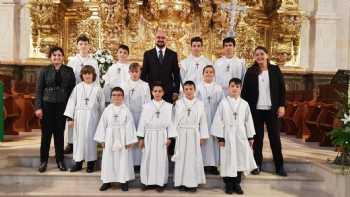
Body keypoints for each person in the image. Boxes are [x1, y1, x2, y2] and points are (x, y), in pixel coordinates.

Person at [241, 46, 287, 177]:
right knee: (257, 139)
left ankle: (280, 166)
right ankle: (257, 165)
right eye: (257, 55)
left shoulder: (275, 70)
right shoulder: (250, 71)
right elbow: (245, 93)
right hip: (256, 111)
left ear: (267, 55)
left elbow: (282, 90)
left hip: (272, 110)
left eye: (262, 54)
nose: (260, 57)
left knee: (275, 139)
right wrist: (246, 111)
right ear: (254, 57)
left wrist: (282, 105)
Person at [211, 78, 257, 195]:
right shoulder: (223, 103)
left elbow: (248, 121)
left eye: (237, 86)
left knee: (240, 158)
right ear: (228, 88)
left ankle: (237, 183)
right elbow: (218, 120)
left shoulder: (244, 104)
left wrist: (250, 137)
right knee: (227, 159)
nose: (235, 88)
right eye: (232, 86)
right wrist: (220, 138)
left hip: (240, 134)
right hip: (227, 135)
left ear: (240, 88)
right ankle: (228, 184)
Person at [35, 46, 76, 173]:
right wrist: (38, 107)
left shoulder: (69, 70)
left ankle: (60, 160)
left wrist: (71, 110)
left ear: (63, 57)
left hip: (62, 106)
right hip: (47, 105)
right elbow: (39, 90)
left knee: (59, 134)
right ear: (50, 57)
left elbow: (72, 91)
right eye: (54, 55)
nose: (57, 57)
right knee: (46, 135)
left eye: (59, 55)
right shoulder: (44, 71)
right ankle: (43, 161)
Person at [94, 87, 138, 192]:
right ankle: (107, 181)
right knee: (108, 159)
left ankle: (123, 181)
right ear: (111, 97)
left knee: (123, 159)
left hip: (123, 138)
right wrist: (102, 140)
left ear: (123, 97)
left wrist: (129, 141)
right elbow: (102, 125)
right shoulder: (107, 110)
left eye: (119, 95)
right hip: (109, 137)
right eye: (114, 95)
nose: (116, 97)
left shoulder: (126, 110)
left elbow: (130, 126)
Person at [64, 65, 105, 173]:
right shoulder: (78, 87)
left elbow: (101, 107)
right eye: (85, 74)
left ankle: (91, 164)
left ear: (93, 75)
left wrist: (102, 122)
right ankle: (78, 163)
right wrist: (70, 118)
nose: (87, 75)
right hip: (79, 118)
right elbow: (72, 102)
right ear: (82, 75)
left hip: (93, 118)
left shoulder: (98, 89)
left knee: (91, 140)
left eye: (89, 73)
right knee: (79, 140)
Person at [137, 81, 176, 192]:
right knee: (147, 158)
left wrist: (170, 137)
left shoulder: (168, 106)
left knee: (161, 159)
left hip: (162, 135)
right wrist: (141, 138)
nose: (157, 93)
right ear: (151, 92)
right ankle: (146, 182)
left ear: (163, 92)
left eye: (160, 91)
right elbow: (142, 122)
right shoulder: (146, 106)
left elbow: (171, 122)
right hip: (149, 134)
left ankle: (160, 183)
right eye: (155, 91)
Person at [65, 35, 99, 154]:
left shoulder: (93, 61)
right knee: (72, 117)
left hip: (90, 92)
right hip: (75, 92)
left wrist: (96, 93)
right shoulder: (72, 61)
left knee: (88, 118)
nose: (83, 46)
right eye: (81, 44)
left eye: (85, 44)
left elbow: (97, 79)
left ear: (89, 46)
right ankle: (71, 142)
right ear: (77, 45)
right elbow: (67, 78)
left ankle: (89, 140)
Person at [173, 81, 208, 192]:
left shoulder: (200, 103)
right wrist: (173, 134)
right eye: (186, 89)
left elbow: (203, 121)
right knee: (181, 158)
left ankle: (192, 183)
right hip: (181, 133)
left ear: (194, 90)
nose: (188, 91)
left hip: (194, 133)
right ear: (183, 91)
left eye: (190, 89)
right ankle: (181, 182)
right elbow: (173, 119)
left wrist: (203, 135)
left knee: (193, 158)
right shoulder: (178, 103)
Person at [121, 62, 151, 168]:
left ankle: (139, 163)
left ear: (140, 72)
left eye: (136, 72)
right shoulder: (124, 84)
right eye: (132, 72)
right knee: (130, 136)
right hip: (128, 114)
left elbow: (148, 102)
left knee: (140, 137)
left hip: (141, 115)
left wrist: (145, 116)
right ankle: (130, 163)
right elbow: (122, 101)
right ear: (129, 72)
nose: (134, 74)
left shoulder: (145, 85)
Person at [196, 65, 223, 175]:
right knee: (203, 139)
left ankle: (213, 165)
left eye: (211, 72)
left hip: (215, 116)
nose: (208, 74)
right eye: (206, 72)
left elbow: (221, 103)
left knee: (213, 140)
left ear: (214, 74)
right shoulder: (198, 87)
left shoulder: (218, 88)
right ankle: (202, 165)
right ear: (203, 74)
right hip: (202, 116)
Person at [141, 29, 181, 103]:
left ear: (166, 39)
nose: (160, 39)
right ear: (155, 38)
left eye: (163, 38)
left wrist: (176, 91)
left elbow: (176, 74)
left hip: (168, 92)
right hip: (151, 92)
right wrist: (144, 90)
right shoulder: (147, 54)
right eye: (158, 37)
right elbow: (143, 74)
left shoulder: (173, 54)